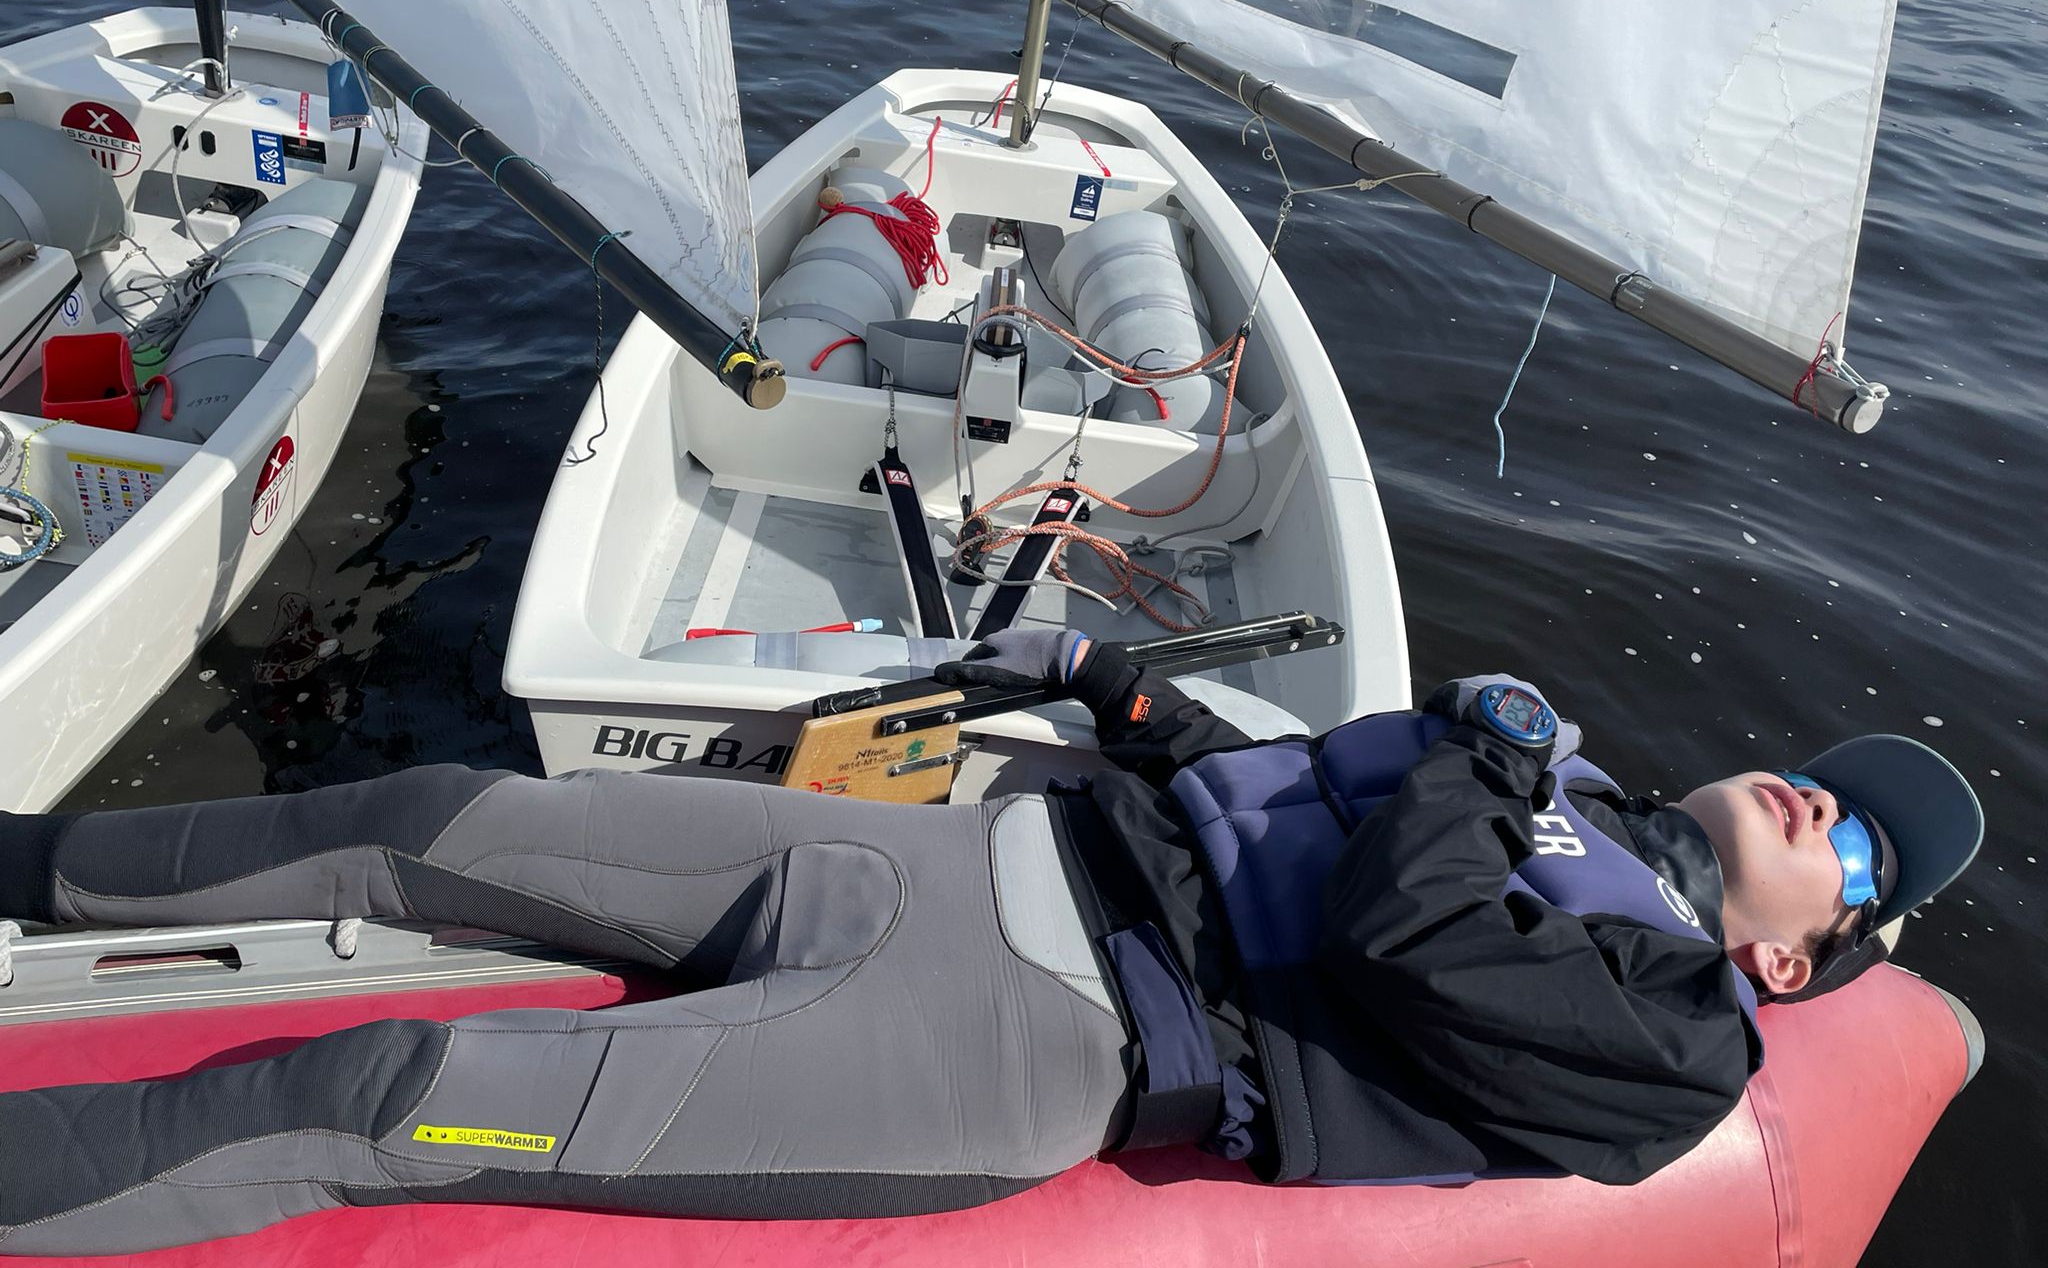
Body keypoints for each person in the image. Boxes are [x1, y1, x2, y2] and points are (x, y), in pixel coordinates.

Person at [0, 629, 1983, 1256]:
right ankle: (30, 863)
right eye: (1832, 783)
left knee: (379, 1093)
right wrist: (1132, 696)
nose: (1823, 806)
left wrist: (1475, 753)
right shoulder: (1558, 783)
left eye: (1858, 848)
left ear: (1800, 963)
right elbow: (1273, 816)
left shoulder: (1678, 1042)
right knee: (433, 818)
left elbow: (1412, 943)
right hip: (946, 862)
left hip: (1019, 1043)